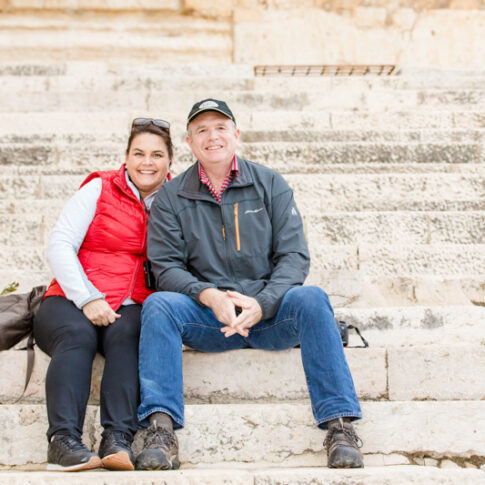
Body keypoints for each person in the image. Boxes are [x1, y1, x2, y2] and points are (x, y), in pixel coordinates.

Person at [135, 99, 364, 471]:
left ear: (236, 135)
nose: (213, 137)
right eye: (202, 131)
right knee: (159, 304)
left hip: (269, 316)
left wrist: (265, 302)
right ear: (190, 144)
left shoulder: (270, 183)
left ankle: (340, 427)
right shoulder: (171, 198)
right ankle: (161, 431)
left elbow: (294, 257)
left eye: (221, 127)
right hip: (209, 319)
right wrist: (207, 296)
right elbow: (166, 266)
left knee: (311, 298)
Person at [33, 118, 173, 472]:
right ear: (125, 157)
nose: (147, 161)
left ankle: (118, 439)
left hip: (133, 303)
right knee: (77, 335)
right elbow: (61, 244)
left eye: (157, 154)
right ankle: (63, 441)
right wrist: (87, 297)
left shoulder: (177, 199)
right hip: (70, 298)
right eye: (138, 153)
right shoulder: (99, 188)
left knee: (129, 335)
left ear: (170, 160)